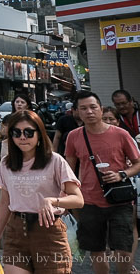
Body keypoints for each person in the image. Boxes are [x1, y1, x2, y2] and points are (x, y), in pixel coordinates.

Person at [0, 110, 84, 274]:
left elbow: (78, 199)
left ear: (39, 134)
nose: (22, 137)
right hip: (16, 232)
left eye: (29, 132)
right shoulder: (6, 163)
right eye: (16, 133)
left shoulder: (54, 160)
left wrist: (52, 201)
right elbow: (4, 203)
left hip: (48, 232)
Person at [63, 90, 140, 274]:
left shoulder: (121, 134)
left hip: (120, 200)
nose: (89, 111)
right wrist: (68, 196)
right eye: (83, 108)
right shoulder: (74, 136)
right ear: (77, 112)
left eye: (93, 107)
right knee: (96, 250)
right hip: (89, 201)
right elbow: (68, 170)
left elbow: (138, 163)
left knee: (123, 249)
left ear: (101, 108)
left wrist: (122, 174)